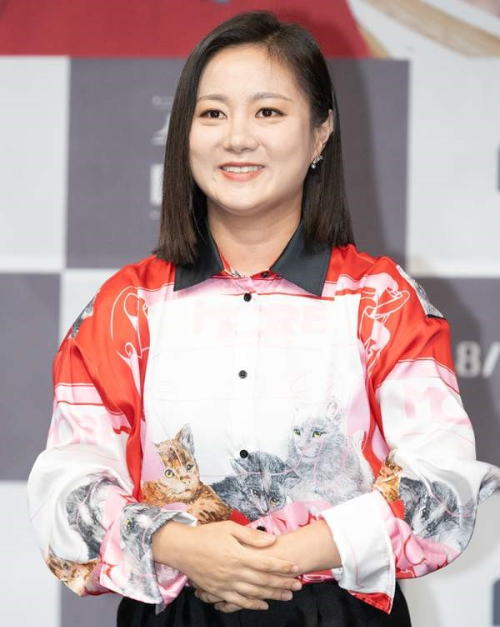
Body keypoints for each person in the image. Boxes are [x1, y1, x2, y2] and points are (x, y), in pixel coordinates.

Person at [28, 10, 500, 627]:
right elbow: (67, 489)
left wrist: (277, 558)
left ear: (321, 133)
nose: (237, 138)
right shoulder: (127, 305)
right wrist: (182, 547)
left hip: (337, 611)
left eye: (268, 112)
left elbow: (442, 482)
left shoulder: (380, 300)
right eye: (212, 113)